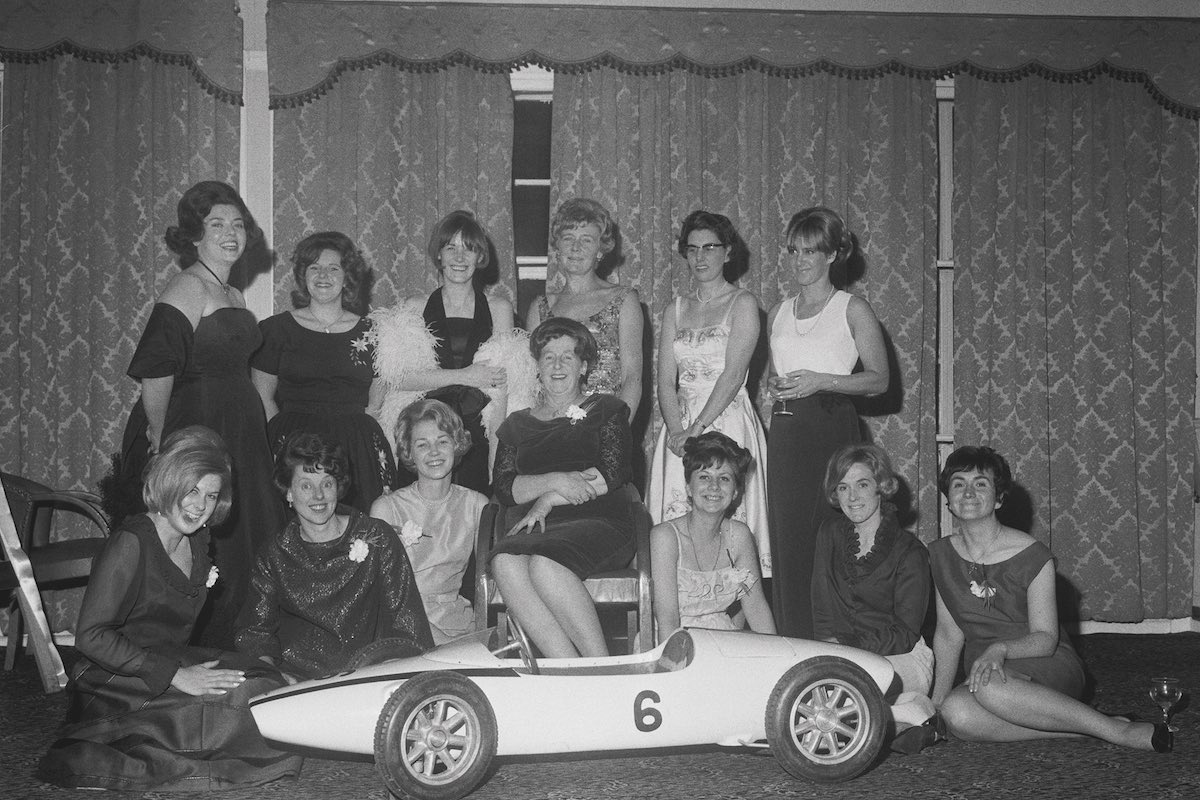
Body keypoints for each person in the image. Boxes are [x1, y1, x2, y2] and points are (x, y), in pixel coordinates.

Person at [38, 427, 302, 791]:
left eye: (211, 496)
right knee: (249, 702)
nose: (199, 506)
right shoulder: (130, 543)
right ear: (168, 482)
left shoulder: (197, 540)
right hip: (116, 679)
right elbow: (90, 637)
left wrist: (197, 669)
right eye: (191, 490)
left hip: (170, 658)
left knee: (265, 678)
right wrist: (178, 676)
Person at [104, 180, 286, 649]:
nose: (231, 233)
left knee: (243, 533)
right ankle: (199, 648)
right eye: (217, 224)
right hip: (197, 423)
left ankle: (242, 645)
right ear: (194, 236)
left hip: (238, 427)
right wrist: (163, 436)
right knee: (205, 535)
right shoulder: (186, 286)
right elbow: (156, 369)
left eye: (238, 224)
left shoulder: (234, 295)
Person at [929, 445, 1170, 752]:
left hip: (1045, 661)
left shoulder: (1034, 555)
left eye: (981, 483)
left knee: (990, 687)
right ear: (948, 500)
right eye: (958, 484)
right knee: (956, 713)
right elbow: (949, 634)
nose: (968, 492)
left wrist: (999, 649)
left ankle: (1115, 732)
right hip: (986, 669)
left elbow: (1045, 638)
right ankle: (1086, 729)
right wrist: (936, 702)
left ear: (999, 497)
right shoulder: (939, 555)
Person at [766, 205, 887, 639]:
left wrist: (822, 381)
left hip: (832, 427)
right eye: (793, 250)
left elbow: (879, 380)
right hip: (785, 432)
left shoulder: (852, 309)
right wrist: (778, 389)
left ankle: (836, 642)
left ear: (834, 254)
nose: (800, 260)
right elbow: (777, 372)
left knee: (829, 538)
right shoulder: (778, 311)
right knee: (789, 543)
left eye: (810, 251)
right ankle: (792, 642)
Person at [489, 318, 636, 658]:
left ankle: (601, 668)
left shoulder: (607, 409)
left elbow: (611, 473)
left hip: (599, 520)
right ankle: (566, 669)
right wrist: (556, 481)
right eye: (548, 357)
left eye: (567, 357)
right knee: (505, 563)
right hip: (536, 526)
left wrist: (547, 499)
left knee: (544, 564)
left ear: (584, 366)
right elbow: (505, 488)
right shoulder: (517, 424)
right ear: (537, 366)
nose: (557, 366)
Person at [236, 433, 433, 680]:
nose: (318, 496)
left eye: (327, 484)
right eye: (306, 485)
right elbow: (255, 634)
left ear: (338, 489)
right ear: (288, 492)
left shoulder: (377, 537)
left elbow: (407, 624)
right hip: (295, 681)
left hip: (367, 675)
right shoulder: (274, 553)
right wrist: (272, 676)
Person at [647, 211, 770, 575]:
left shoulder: (743, 303)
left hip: (725, 419)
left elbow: (733, 376)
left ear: (728, 252)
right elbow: (665, 380)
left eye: (710, 248)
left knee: (728, 521)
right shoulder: (676, 309)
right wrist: (676, 433)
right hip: (680, 430)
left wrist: (696, 431)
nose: (700, 257)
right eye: (692, 249)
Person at [372, 210, 515, 495]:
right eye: (451, 248)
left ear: (480, 257)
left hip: (477, 434)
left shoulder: (499, 308)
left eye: (469, 249)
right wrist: (465, 376)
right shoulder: (415, 306)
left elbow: (501, 388)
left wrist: (496, 455)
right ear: (439, 254)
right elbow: (397, 379)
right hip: (424, 431)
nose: (460, 258)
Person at [252, 231, 397, 512]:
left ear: (347, 277)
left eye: (333, 268)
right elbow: (263, 396)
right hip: (293, 444)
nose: (323, 275)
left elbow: (377, 394)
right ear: (302, 276)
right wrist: (279, 447)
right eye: (314, 268)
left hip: (356, 445)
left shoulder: (375, 332)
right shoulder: (275, 330)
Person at [811, 443, 938, 752]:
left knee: (833, 699)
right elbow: (822, 609)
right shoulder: (829, 533)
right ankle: (906, 717)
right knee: (812, 687)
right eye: (843, 487)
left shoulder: (910, 551)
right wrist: (825, 652)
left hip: (902, 658)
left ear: (882, 487)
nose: (852, 497)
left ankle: (896, 717)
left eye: (862, 484)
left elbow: (906, 634)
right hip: (842, 655)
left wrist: (845, 648)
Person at [371, 399, 488, 644]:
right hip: (403, 628)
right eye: (422, 445)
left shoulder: (477, 504)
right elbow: (382, 594)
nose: (434, 452)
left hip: (459, 624)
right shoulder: (387, 508)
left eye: (442, 441)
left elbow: (488, 583)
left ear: (456, 445)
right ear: (409, 451)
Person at [526, 198, 643, 420]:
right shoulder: (540, 307)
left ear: (600, 250)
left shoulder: (623, 300)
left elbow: (633, 377)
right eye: (568, 238)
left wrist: (616, 433)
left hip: (606, 423)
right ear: (557, 247)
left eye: (586, 240)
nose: (576, 248)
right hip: (553, 427)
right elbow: (532, 381)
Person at [650, 432, 774, 637]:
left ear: (735, 492)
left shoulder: (740, 536)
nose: (714, 487)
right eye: (704, 477)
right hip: (672, 641)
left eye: (724, 478)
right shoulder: (665, 537)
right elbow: (668, 619)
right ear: (689, 487)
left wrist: (777, 658)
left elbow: (756, 607)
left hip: (723, 638)